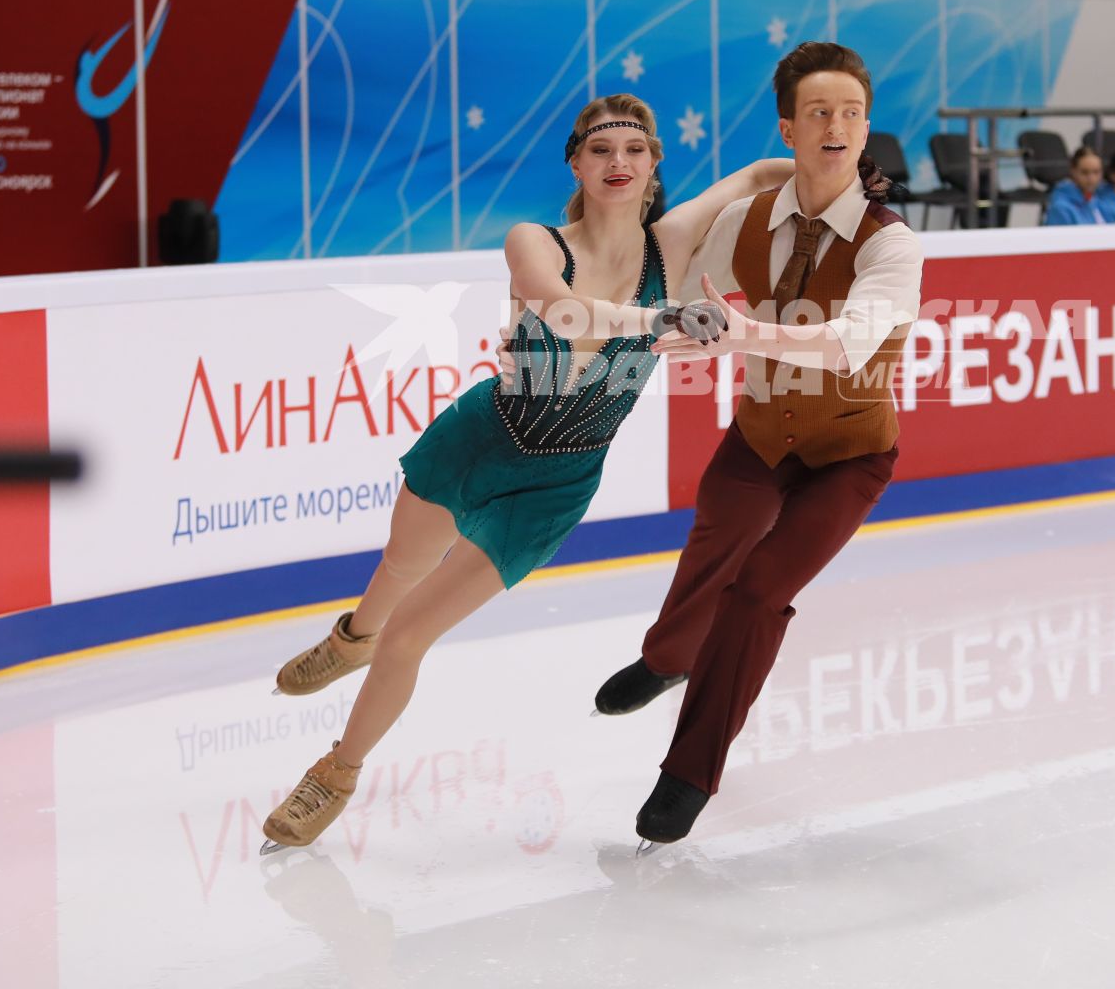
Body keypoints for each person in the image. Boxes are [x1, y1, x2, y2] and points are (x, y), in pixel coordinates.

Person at [259, 98, 795, 853]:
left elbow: (758, 174)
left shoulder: (671, 245)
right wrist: (662, 321)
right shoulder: (534, 239)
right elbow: (564, 311)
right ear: (575, 163)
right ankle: (352, 639)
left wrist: (844, 172)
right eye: (601, 149)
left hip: (556, 485)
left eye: (635, 150)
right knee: (401, 566)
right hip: (482, 437)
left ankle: (335, 774)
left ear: (652, 166)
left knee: (413, 636)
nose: (618, 163)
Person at [593, 42, 923, 848]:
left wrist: (745, 336)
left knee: (758, 591)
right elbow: (661, 260)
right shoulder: (750, 220)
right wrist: (679, 315)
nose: (837, 125)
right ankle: (670, 656)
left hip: (849, 452)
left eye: (851, 112)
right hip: (758, 434)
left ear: (866, 127)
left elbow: (851, 341)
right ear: (788, 128)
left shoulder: (891, 244)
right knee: (716, 536)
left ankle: (688, 774)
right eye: (818, 112)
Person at [1043, 147, 1111, 224]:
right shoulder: (1060, 208)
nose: (1091, 178)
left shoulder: (1098, 203)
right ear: (1073, 171)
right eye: (1084, 172)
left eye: (1096, 172)